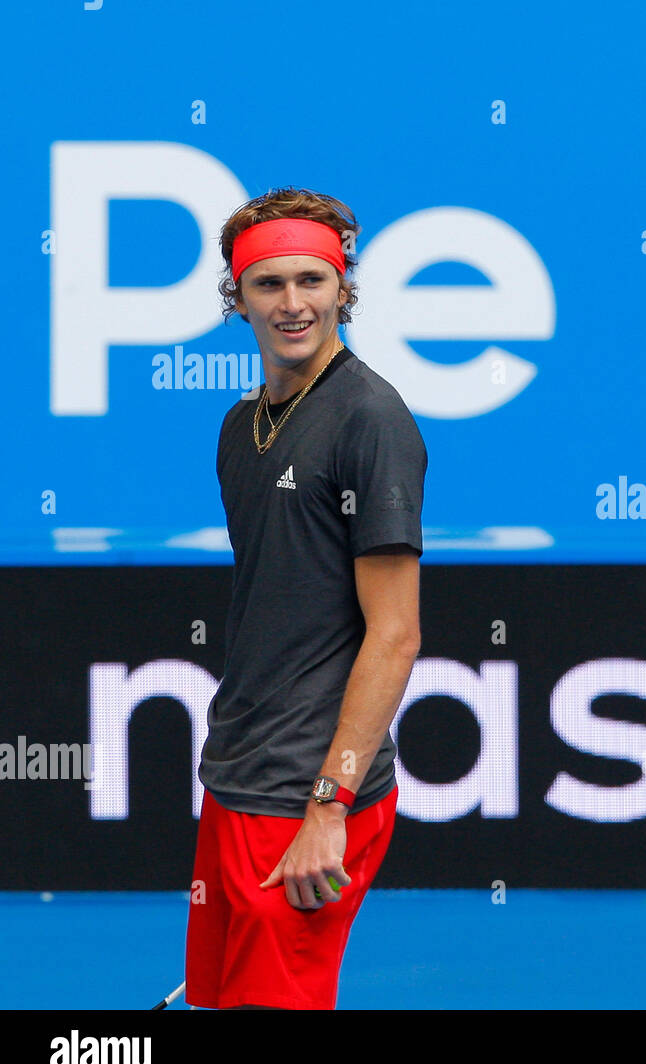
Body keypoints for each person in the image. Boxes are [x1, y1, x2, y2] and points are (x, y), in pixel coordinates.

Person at [185, 188, 426, 1009]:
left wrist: (331, 805)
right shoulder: (238, 427)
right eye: (269, 284)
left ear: (341, 289)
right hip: (237, 780)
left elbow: (393, 635)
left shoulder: (371, 421)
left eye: (312, 281)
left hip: (308, 797)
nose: (293, 304)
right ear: (237, 296)